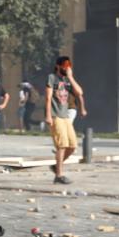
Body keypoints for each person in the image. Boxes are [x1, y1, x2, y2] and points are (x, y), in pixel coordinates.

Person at [46, 56, 84, 184]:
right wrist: (48, 115)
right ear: (58, 66)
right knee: (61, 145)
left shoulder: (67, 80)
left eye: (68, 65)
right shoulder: (52, 78)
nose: (66, 68)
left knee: (72, 146)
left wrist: (71, 77)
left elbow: (79, 92)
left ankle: (56, 167)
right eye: (64, 65)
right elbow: (48, 98)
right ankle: (59, 175)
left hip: (65, 116)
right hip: (55, 115)